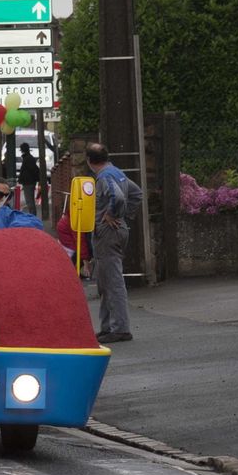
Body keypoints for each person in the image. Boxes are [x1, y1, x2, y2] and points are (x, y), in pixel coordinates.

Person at [87, 142, 143, 344]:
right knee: (105, 281)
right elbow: (136, 193)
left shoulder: (103, 176)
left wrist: (112, 214)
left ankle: (120, 328)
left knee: (113, 281)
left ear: (88, 161)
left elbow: (117, 196)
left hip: (107, 232)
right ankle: (107, 327)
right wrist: (125, 217)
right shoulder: (117, 172)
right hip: (118, 230)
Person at [18, 142, 40, 215]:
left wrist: (22, 179)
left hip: (28, 182)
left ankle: (32, 215)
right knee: (30, 200)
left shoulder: (27, 159)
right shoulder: (29, 158)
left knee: (29, 200)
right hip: (30, 182)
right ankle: (32, 214)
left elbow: (31, 170)